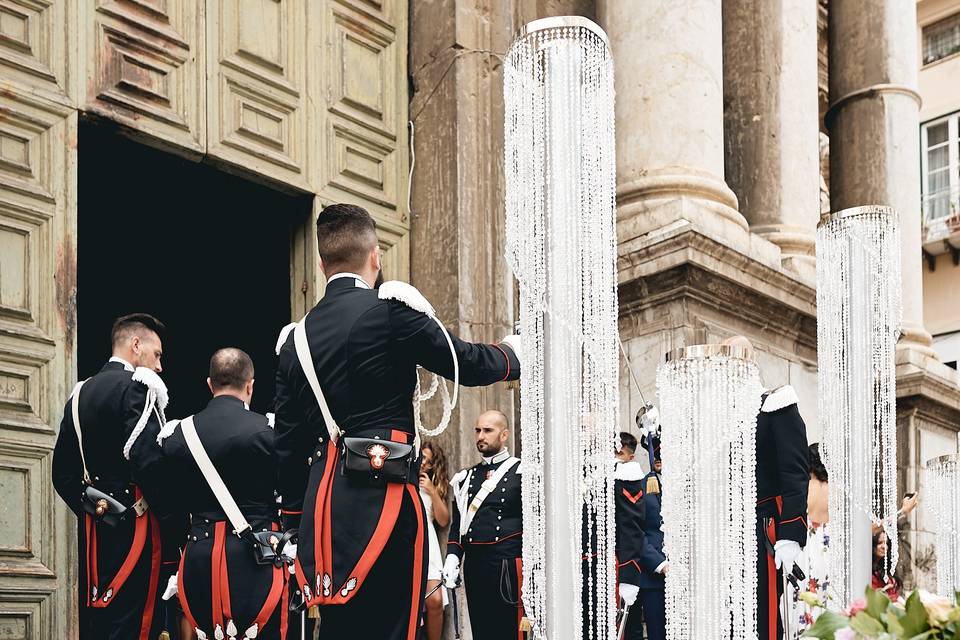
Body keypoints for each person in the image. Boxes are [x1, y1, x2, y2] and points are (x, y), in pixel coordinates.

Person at [273, 203, 520, 640]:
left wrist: (295, 522)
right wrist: (514, 355)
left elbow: (288, 446)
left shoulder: (296, 341)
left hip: (323, 514)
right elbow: (464, 361)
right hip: (383, 500)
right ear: (375, 256)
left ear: (321, 262)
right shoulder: (389, 311)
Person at [52, 313, 181, 639]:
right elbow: (150, 465)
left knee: (101, 625)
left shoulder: (79, 394)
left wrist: (100, 509)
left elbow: (62, 475)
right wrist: (176, 526)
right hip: (137, 530)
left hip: (97, 536)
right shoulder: (138, 388)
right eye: (157, 355)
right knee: (138, 625)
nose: (159, 367)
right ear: (136, 345)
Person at [159, 348, 289, 639]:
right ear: (250, 385)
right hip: (258, 556)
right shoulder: (269, 432)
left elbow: (170, 503)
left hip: (199, 557)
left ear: (209, 384)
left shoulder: (176, 437)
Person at [722, 336, 809, 640]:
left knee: (763, 617)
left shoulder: (775, 405)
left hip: (764, 529)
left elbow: (795, 473)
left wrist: (790, 535)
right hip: (728, 534)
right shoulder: (721, 420)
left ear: (751, 360)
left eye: (737, 357)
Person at [444, 410, 524, 640]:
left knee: (509, 631)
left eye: (488, 430)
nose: (481, 435)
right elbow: (459, 523)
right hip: (475, 565)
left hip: (507, 565)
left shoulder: (521, 472)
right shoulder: (466, 477)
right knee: (482, 630)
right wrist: (452, 556)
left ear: (504, 434)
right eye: (478, 430)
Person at [420, 441, 450, 640]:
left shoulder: (432, 486)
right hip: (406, 541)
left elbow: (443, 520)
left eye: (427, 460)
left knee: (435, 600)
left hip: (428, 544)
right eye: (421, 457)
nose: (422, 463)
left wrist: (431, 490)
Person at [871, 529, 903, 602]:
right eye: (880, 543)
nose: (884, 546)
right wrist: (883, 591)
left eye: (886, 543)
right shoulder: (868, 570)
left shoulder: (887, 568)